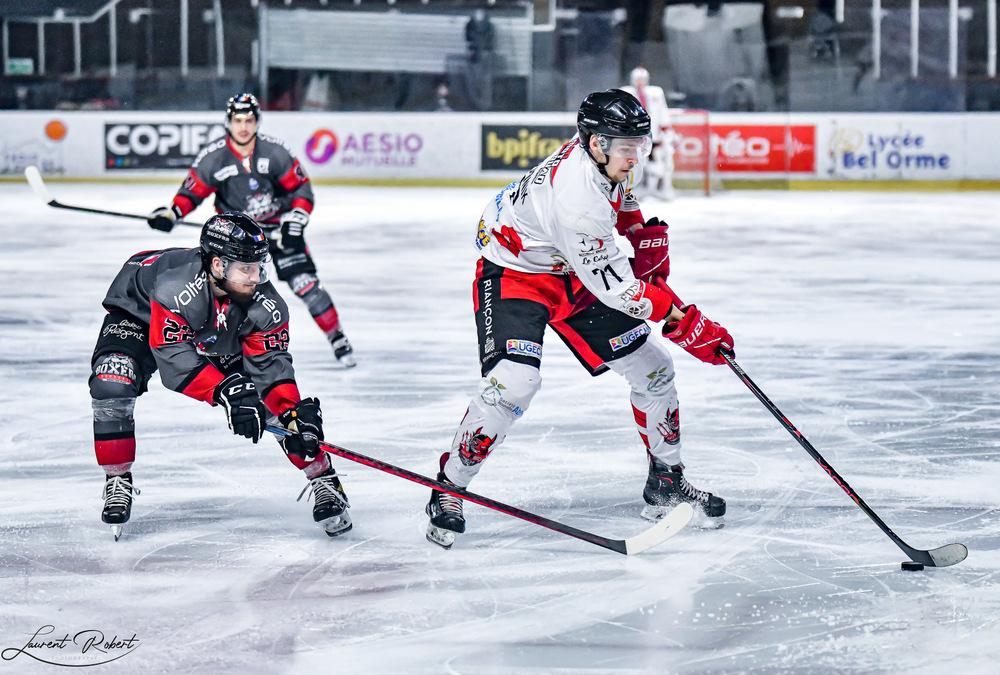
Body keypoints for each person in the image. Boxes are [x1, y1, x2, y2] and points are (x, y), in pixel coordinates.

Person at [424, 89, 733, 549]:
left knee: (654, 368)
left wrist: (636, 228)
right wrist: (685, 322)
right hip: (516, 273)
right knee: (514, 384)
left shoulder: (609, 155)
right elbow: (622, 290)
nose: (636, 157)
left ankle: (665, 481)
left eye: (640, 146)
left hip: (570, 268)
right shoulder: (577, 202)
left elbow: (623, 200)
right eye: (628, 148)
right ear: (595, 143)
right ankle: (449, 486)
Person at [90, 211, 351, 540]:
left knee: (273, 405)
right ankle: (117, 478)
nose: (256, 277)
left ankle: (324, 478)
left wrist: (291, 411)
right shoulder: (175, 287)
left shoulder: (264, 304)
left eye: (258, 266)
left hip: (213, 320)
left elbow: (270, 367)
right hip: (140, 311)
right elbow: (172, 357)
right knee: (113, 377)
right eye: (246, 268)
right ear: (217, 265)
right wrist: (224, 391)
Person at [146, 93, 356, 368]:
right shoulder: (214, 157)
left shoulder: (275, 152)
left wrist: (295, 221)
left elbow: (301, 190)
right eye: (237, 120)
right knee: (231, 294)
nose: (243, 127)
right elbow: (192, 192)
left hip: (279, 232)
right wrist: (172, 213)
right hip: (236, 243)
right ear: (228, 122)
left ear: (257, 122)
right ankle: (227, 350)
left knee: (307, 285)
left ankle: (337, 336)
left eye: (249, 120)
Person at [621, 67, 676, 201]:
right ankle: (633, 189)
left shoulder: (655, 93)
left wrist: (665, 133)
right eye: (637, 79)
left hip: (653, 136)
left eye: (642, 79)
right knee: (635, 164)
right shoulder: (626, 92)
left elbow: (663, 113)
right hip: (633, 137)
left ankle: (661, 189)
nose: (640, 82)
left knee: (662, 162)